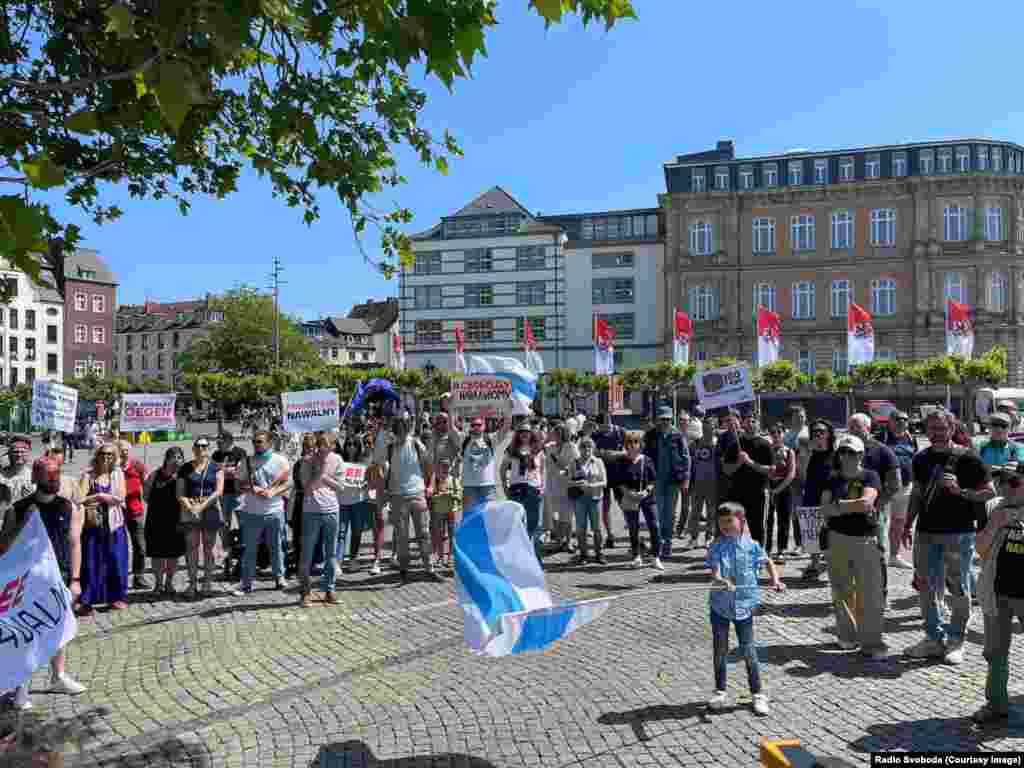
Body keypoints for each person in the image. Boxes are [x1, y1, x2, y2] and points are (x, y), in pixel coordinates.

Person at [902, 410, 995, 665]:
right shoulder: (921, 458)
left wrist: (960, 491)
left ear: (952, 428)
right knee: (925, 586)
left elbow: (989, 492)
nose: (936, 433)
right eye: (931, 428)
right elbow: (918, 494)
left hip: (959, 533)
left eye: (941, 428)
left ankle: (956, 641)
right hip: (926, 533)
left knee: (959, 588)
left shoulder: (968, 457)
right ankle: (934, 638)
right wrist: (907, 524)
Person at [5, 458, 87, 709]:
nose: (54, 479)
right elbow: (4, 547)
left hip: (59, 578)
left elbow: (75, 543)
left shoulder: (68, 507)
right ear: (35, 478)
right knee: (26, 632)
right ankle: (22, 687)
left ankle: (58, 676)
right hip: (27, 582)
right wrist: (22, 524)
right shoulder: (18, 509)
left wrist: (75, 579)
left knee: (59, 627)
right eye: (48, 475)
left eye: (56, 474)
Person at [706, 501, 784, 717]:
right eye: (721, 522)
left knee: (748, 650)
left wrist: (776, 580)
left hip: (744, 607)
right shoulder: (716, 546)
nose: (725, 526)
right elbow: (715, 573)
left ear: (741, 521)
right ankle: (720, 691)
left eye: (729, 521)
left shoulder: (752, 545)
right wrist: (721, 581)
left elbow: (768, 562)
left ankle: (757, 693)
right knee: (720, 650)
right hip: (720, 606)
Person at [820, 435, 886, 658]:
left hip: (865, 539)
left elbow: (868, 503)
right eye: (843, 452)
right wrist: (851, 506)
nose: (847, 456)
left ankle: (872, 641)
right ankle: (847, 636)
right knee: (841, 589)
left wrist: (838, 505)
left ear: (861, 455)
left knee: (870, 592)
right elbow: (824, 509)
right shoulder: (832, 478)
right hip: (837, 538)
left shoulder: (871, 476)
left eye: (852, 452)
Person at [973, 464, 1024, 724]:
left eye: (1014, 483)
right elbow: (980, 549)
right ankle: (996, 704)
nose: (1008, 487)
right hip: (998, 592)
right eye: (1005, 482)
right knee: (995, 652)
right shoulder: (993, 507)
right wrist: (995, 525)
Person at [374, 413, 435, 582]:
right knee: (401, 535)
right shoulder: (389, 447)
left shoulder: (416, 443)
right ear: (395, 429)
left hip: (417, 493)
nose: (401, 430)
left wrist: (430, 485)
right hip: (397, 496)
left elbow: (429, 464)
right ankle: (403, 570)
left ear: (408, 428)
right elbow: (378, 463)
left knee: (424, 532)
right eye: (398, 428)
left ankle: (429, 567)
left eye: (403, 427)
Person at [234, 429, 290, 596]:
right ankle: (246, 583)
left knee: (276, 547)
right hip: (251, 512)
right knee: (250, 550)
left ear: (269, 443)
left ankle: (279, 577)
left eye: (259, 441)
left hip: (274, 511)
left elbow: (288, 483)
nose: (256, 445)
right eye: (254, 442)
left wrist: (273, 492)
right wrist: (252, 489)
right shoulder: (246, 462)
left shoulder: (280, 460)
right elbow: (237, 485)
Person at [77, 444, 129, 614]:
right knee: (91, 561)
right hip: (93, 525)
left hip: (114, 524)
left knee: (115, 559)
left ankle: (116, 597)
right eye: (103, 453)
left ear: (115, 456)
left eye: (110, 454)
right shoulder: (88, 475)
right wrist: (99, 496)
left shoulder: (118, 473)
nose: (106, 457)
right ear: (97, 455)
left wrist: (105, 497)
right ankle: (87, 600)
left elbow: (121, 497)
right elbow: (80, 498)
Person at [298, 430, 343, 605]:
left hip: (331, 510)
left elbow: (341, 487)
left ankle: (330, 590)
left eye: (327, 444)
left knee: (331, 554)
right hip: (311, 511)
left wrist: (324, 475)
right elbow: (306, 488)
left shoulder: (337, 460)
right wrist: (316, 472)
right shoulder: (307, 461)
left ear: (333, 445)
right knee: (307, 553)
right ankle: (305, 591)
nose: (323, 447)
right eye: (321, 443)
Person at [176, 437, 224, 599]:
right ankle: (192, 583)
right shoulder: (184, 468)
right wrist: (191, 508)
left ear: (209, 449)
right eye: (198, 446)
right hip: (190, 511)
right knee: (192, 548)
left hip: (210, 510)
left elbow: (218, 491)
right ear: (193, 448)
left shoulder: (216, 468)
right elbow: (180, 493)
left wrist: (201, 507)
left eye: (204, 446)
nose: (201, 449)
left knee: (209, 548)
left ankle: (207, 582)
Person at [642, 407, 690, 559]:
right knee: (658, 513)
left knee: (669, 513)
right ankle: (659, 543)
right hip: (655, 481)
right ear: (657, 420)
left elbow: (686, 458)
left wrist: (686, 478)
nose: (665, 422)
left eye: (668, 419)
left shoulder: (678, 435)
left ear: (672, 420)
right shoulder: (650, 436)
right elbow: (643, 457)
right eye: (662, 419)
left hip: (673, 480)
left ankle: (667, 543)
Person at [723, 411, 774, 549]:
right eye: (747, 420)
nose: (750, 424)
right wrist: (739, 463)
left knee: (758, 527)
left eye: (753, 421)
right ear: (743, 423)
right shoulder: (735, 444)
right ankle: (737, 554)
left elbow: (771, 471)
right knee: (735, 526)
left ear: (758, 423)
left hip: (758, 493)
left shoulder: (765, 445)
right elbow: (726, 470)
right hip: (737, 493)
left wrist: (750, 462)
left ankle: (759, 557)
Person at [614, 430, 661, 570]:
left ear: (640, 444)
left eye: (635, 442)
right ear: (625, 445)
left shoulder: (647, 460)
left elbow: (653, 480)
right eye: (629, 442)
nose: (632, 445)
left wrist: (646, 491)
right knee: (633, 528)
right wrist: (629, 493)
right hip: (630, 498)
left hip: (647, 498)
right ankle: (636, 556)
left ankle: (655, 556)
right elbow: (619, 482)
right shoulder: (621, 461)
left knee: (654, 526)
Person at [143, 447, 187, 595]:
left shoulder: (183, 476)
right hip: (156, 520)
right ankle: (158, 584)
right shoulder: (155, 475)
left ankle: (169, 583)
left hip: (177, 521)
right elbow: (146, 496)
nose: (176, 460)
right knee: (157, 555)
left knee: (173, 555)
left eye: (179, 457)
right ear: (166, 459)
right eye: (173, 457)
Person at [500, 425, 544, 556]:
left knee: (533, 522)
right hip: (516, 488)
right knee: (516, 523)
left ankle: (533, 554)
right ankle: (517, 554)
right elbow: (502, 469)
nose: (525, 434)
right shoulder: (511, 450)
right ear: (517, 434)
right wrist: (504, 487)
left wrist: (542, 486)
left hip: (533, 488)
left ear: (532, 434)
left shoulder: (538, 450)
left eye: (527, 432)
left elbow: (542, 470)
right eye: (522, 432)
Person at [881, 411, 918, 569]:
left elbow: (914, 459)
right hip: (885, 487)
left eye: (905, 419)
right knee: (881, 522)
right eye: (897, 419)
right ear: (890, 421)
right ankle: (878, 556)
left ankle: (894, 556)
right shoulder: (881, 437)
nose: (901, 422)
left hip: (905, 487)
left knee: (899, 522)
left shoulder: (911, 438)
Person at [801, 420, 837, 580]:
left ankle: (832, 565)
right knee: (811, 532)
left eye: (822, 431)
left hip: (830, 498)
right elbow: (801, 474)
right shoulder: (808, 452)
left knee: (831, 531)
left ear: (829, 434)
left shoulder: (836, 453)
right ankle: (814, 564)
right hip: (810, 495)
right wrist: (808, 452)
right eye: (815, 432)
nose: (818, 434)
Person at [213, 433, 249, 581]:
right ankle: (226, 554)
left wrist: (224, 470)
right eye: (217, 442)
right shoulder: (216, 454)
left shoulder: (240, 452)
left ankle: (243, 553)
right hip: (224, 494)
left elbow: (240, 472)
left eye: (220, 442)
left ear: (229, 441)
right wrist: (227, 471)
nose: (218, 445)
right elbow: (215, 471)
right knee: (224, 524)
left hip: (239, 493)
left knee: (243, 524)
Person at [337, 434, 374, 572]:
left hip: (359, 501)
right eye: (348, 444)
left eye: (354, 444)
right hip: (342, 502)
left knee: (357, 532)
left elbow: (370, 481)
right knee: (341, 533)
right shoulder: (340, 462)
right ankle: (338, 562)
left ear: (359, 447)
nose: (351, 447)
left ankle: (353, 558)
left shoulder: (364, 463)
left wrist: (366, 483)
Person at [116, 441, 149, 590]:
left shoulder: (137, 466)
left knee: (140, 546)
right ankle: (118, 578)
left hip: (135, 511)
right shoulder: (113, 468)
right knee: (119, 547)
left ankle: (139, 576)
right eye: (121, 450)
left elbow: (147, 484)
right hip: (117, 513)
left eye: (126, 450)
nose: (124, 452)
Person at [568, 437, 607, 565]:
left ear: (593, 448)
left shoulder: (598, 462)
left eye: (589, 446)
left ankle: (599, 553)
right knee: (581, 528)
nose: (586, 449)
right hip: (579, 499)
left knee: (597, 528)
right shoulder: (574, 463)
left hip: (595, 498)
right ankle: (583, 554)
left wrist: (592, 486)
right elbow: (568, 482)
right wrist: (578, 482)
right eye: (583, 447)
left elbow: (604, 482)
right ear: (579, 449)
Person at [684, 416, 719, 546]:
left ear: (714, 428)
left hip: (713, 483)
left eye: (710, 427)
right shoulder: (695, 444)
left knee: (711, 512)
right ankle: (693, 538)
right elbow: (689, 464)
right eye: (704, 428)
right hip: (698, 483)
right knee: (695, 512)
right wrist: (689, 481)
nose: (707, 430)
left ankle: (709, 536)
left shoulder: (718, 444)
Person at [593, 413, 626, 549]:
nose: (606, 428)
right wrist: (599, 454)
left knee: (625, 505)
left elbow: (631, 450)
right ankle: (610, 535)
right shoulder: (595, 435)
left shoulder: (620, 432)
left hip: (619, 475)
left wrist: (615, 454)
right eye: (603, 427)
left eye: (608, 425)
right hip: (603, 476)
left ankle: (632, 531)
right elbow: (588, 451)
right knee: (605, 507)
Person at [765, 422, 796, 564]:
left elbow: (791, 474)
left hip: (784, 486)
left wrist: (778, 489)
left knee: (784, 519)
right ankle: (766, 548)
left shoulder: (789, 451)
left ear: (783, 434)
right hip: (769, 486)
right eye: (773, 432)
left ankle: (782, 549)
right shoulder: (766, 450)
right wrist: (769, 488)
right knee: (768, 519)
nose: (776, 435)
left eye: (779, 432)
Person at [544, 424, 579, 552]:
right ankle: (559, 540)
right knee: (555, 515)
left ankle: (568, 541)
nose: (555, 435)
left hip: (566, 484)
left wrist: (563, 467)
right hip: (552, 484)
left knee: (567, 515)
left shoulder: (571, 447)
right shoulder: (549, 447)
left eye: (557, 433)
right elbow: (546, 466)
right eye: (554, 433)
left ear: (564, 434)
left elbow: (575, 464)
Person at [460, 417, 501, 512]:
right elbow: (451, 429)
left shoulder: (490, 439)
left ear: (484, 426)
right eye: (473, 425)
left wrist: (509, 411)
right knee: (470, 516)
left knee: (488, 516)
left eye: (479, 425)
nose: (476, 427)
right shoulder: (464, 439)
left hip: (487, 486)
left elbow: (505, 428)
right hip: (469, 486)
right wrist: (450, 410)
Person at [429, 458, 460, 570]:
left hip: (451, 510)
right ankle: (441, 557)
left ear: (450, 467)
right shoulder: (436, 481)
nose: (445, 468)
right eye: (443, 466)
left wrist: (452, 495)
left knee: (452, 534)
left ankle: (450, 557)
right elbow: (431, 496)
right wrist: (439, 495)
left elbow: (459, 496)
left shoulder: (454, 480)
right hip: (439, 511)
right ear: (439, 468)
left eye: (447, 466)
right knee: (440, 535)